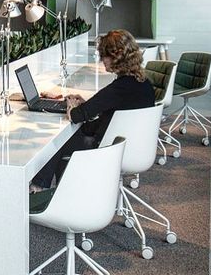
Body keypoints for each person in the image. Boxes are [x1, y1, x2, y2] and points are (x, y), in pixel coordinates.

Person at [30, 29, 155, 191]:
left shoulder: (119, 88)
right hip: (136, 147)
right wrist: (87, 103)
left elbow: (76, 116)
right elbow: (112, 107)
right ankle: (57, 189)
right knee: (66, 140)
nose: (102, 60)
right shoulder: (143, 83)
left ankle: (39, 189)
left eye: (104, 56)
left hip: (108, 149)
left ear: (115, 57)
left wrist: (72, 105)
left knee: (56, 142)